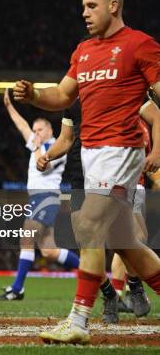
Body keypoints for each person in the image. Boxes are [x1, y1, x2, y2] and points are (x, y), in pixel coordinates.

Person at [13, 0, 160, 345]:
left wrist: (158, 149)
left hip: (121, 150)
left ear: (114, 5)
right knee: (128, 247)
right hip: (91, 154)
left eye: (91, 6)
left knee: (88, 224)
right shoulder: (83, 51)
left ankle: (78, 320)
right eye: (82, 7)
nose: (84, 13)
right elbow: (61, 95)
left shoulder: (141, 45)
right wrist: (33, 95)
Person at [38, 98, 159, 323]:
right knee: (87, 243)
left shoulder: (119, 87)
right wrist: (48, 156)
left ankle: (134, 286)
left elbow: (154, 115)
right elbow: (66, 139)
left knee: (126, 240)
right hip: (79, 174)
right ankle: (109, 294)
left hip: (109, 168)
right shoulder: (72, 102)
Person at [0, 90, 79, 301]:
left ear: (49, 130)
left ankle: (17, 289)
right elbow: (22, 126)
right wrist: (9, 107)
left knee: (26, 238)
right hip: (40, 198)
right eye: (35, 129)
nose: (35, 132)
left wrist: (36, 145)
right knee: (49, 251)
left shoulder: (55, 147)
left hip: (46, 197)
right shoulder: (38, 144)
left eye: (39, 129)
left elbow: (41, 165)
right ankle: (92, 272)